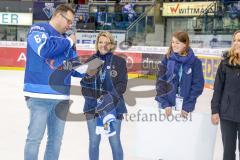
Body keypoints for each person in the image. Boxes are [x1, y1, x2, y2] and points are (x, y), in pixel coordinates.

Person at [23, 4, 84, 160]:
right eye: (68, 21)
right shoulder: (38, 29)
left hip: (61, 98)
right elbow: (45, 50)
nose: (70, 25)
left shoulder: (65, 39)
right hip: (38, 96)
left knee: (55, 141)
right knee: (34, 139)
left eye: (71, 23)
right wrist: (70, 42)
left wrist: (94, 67)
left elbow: (74, 67)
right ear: (58, 16)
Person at [80, 31, 128, 160]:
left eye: (107, 43)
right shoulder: (93, 61)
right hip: (92, 108)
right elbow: (85, 85)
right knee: (94, 143)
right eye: (100, 42)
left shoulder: (119, 62)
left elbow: (122, 85)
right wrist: (95, 102)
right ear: (97, 44)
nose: (103, 45)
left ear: (112, 45)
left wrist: (106, 101)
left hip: (114, 108)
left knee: (115, 142)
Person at [155, 31, 204, 118]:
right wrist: (165, 104)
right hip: (166, 106)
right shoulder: (167, 59)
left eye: (177, 42)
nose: (174, 45)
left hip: (184, 108)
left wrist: (187, 106)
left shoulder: (195, 62)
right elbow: (160, 83)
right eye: (173, 42)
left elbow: (197, 86)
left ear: (185, 44)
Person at [211, 30, 240, 160]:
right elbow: (217, 89)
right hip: (227, 114)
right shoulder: (225, 63)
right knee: (228, 153)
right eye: (234, 40)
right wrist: (215, 110)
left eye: (239, 40)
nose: (236, 43)